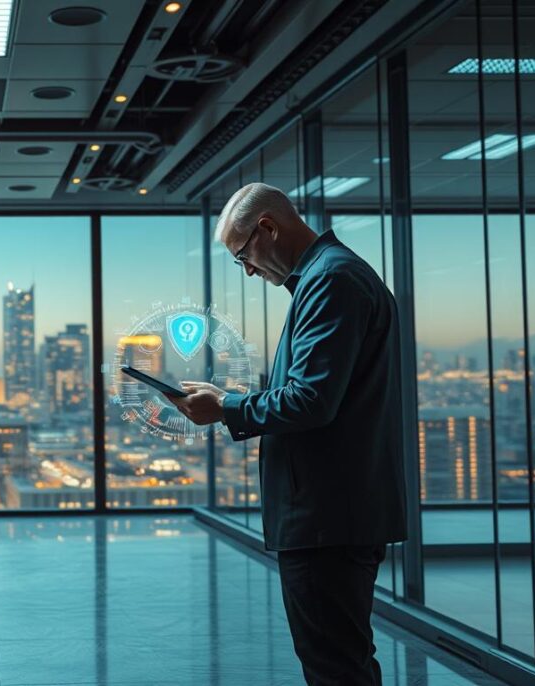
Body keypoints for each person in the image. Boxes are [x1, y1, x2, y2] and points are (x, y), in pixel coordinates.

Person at [172, 183, 407, 685]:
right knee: (343, 660)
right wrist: (226, 399)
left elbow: (311, 400)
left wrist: (225, 407)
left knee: (335, 668)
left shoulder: (332, 281)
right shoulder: (329, 277)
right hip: (334, 512)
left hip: (327, 516)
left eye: (243, 257)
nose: (249, 270)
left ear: (268, 229)